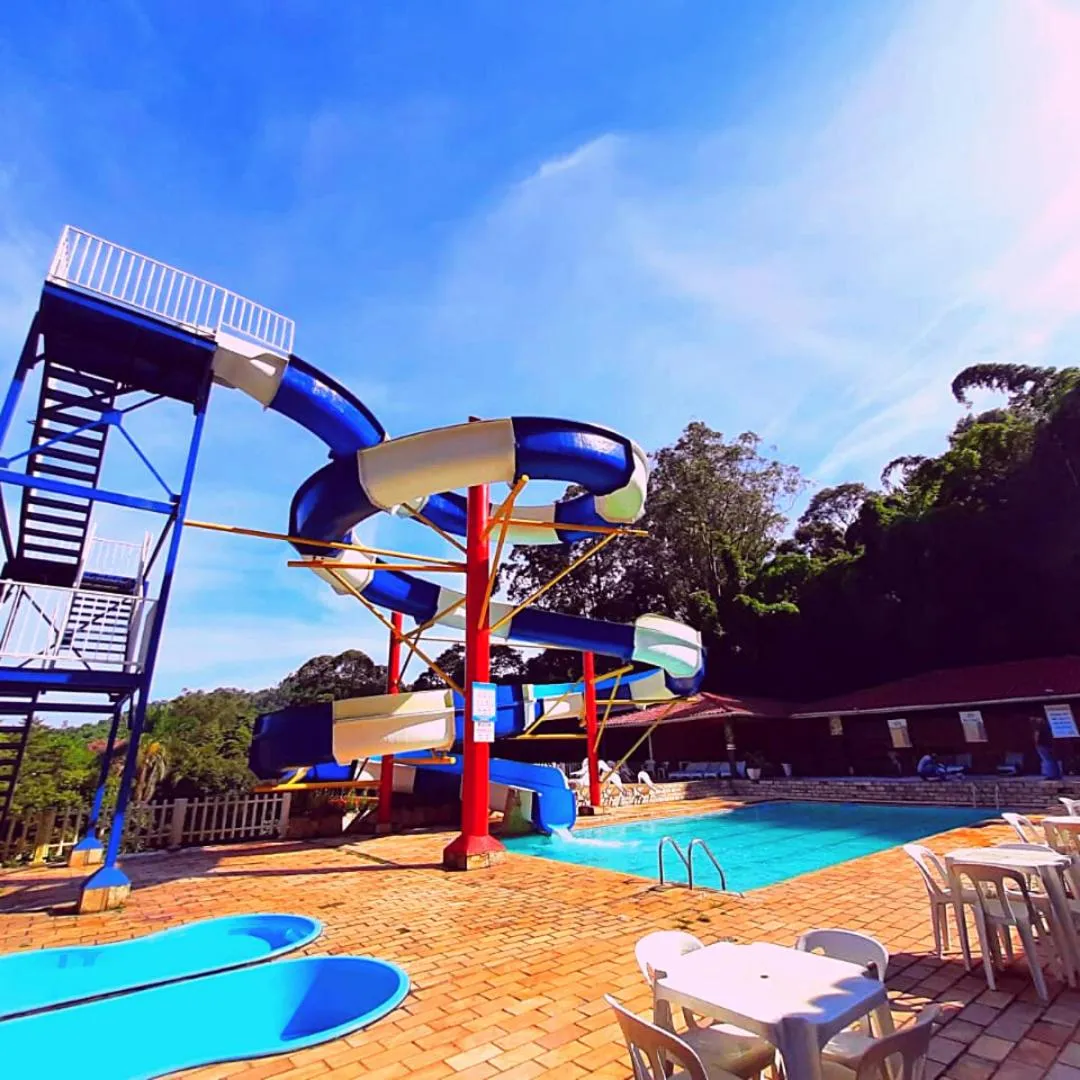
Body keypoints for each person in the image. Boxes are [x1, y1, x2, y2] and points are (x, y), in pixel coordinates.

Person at [1033, 715, 1063, 780]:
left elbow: (1037, 735)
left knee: (1047, 760)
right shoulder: (1049, 727)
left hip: (1042, 745)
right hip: (1049, 745)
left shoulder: (1039, 726)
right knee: (1052, 760)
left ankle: (1050, 775)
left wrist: (1036, 744)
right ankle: (1057, 775)